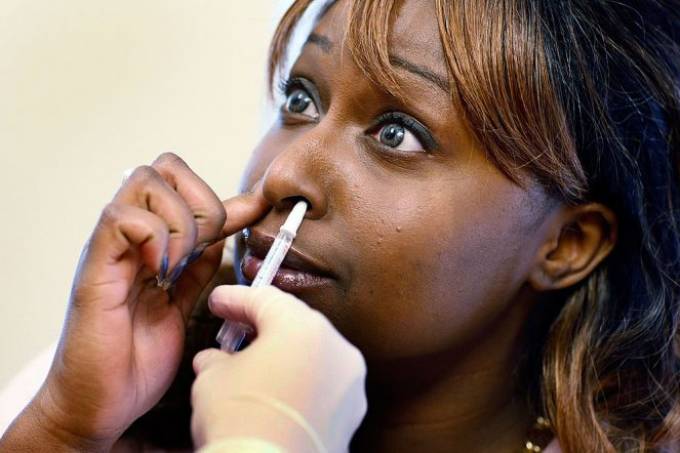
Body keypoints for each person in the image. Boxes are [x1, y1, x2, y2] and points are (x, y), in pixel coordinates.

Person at [4, 0, 680, 451]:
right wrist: (64, 425)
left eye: (397, 133)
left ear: (567, 243)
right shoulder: (116, 399)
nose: (287, 172)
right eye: (300, 98)